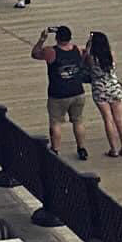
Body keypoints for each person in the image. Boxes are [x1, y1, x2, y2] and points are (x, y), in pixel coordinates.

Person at [31, 24, 88, 159]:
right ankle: (82, 148)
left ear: (57, 38)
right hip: (77, 91)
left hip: (58, 94)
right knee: (78, 121)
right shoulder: (77, 49)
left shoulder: (51, 52)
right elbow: (85, 56)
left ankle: (55, 149)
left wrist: (42, 39)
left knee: (56, 123)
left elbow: (35, 53)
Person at [84, 31, 122, 157]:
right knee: (119, 119)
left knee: (108, 119)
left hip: (100, 89)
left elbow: (84, 65)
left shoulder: (91, 57)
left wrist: (88, 47)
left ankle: (113, 149)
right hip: (114, 87)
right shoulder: (111, 54)